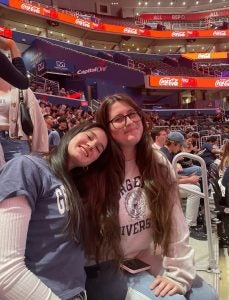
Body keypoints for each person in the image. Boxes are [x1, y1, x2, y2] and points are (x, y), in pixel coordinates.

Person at [85, 94, 217, 300]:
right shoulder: (95, 168)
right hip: (104, 264)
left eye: (132, 114)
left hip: (143, 255)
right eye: (118, 119)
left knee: (207, 296)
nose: (129, 121)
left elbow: (176, 222)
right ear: (105, 128)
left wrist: (179, 272)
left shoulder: (157, 161)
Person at [0, 121, 110, 300]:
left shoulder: (74, 185)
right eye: (90, 137)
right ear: (72, 133)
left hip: (77, 291)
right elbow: (5, 269)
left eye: (99, 149)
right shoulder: (26, 167)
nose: (91, 145)